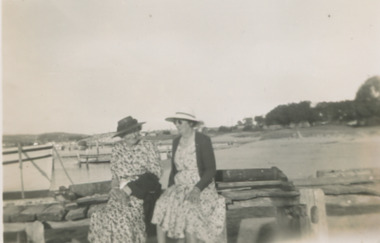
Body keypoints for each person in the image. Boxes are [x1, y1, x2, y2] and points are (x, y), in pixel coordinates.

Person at [151, 110, 226, 243]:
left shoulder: (203, 140)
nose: (176, 125)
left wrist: (197, 189)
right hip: (179, 187)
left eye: (180, 122)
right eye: (175, 122)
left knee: (189, 210)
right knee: (160, 205)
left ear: (190, 123)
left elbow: (210, 170)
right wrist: (169, 188)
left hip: (200, 187)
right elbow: (174, 170)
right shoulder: (175, 142)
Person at [88, 116, 162, 243]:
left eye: (135, 130)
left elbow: (155, 174)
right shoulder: (117, 149)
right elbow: (115, 175)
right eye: (128, 132)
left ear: (139, 130)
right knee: (99, 216)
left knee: (123, 218)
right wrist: (115, 188)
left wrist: (128, 190)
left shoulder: (148, 146)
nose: (133, 135)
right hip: (120, 192)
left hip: (141, 193)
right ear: (122, 135)